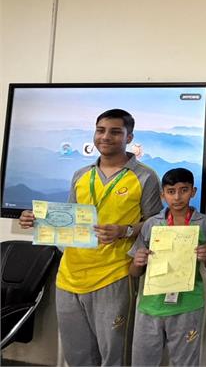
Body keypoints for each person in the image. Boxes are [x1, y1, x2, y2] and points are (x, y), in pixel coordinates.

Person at [19, 108, 162, 366]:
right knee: (78, 356)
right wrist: (37, 220)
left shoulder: (145, 176)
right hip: (69, 275)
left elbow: (155, 223)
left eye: (115, 132)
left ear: (129, 138)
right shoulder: (81, 174)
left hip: (114, 275)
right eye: (100, 130)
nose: (105, 137)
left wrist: (126, 230)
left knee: (114, 356)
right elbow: (70, 219)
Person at [128, 167, 206, 366]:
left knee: (185, 361)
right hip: (151, 305)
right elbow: (134, 272)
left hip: (188, 305)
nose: (177, 197)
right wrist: (138, 261)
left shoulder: (203, 223)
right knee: (143, 361)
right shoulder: (152, 224)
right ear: (163, 195)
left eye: (184, 190)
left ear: (193, 191)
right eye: (171, 192)